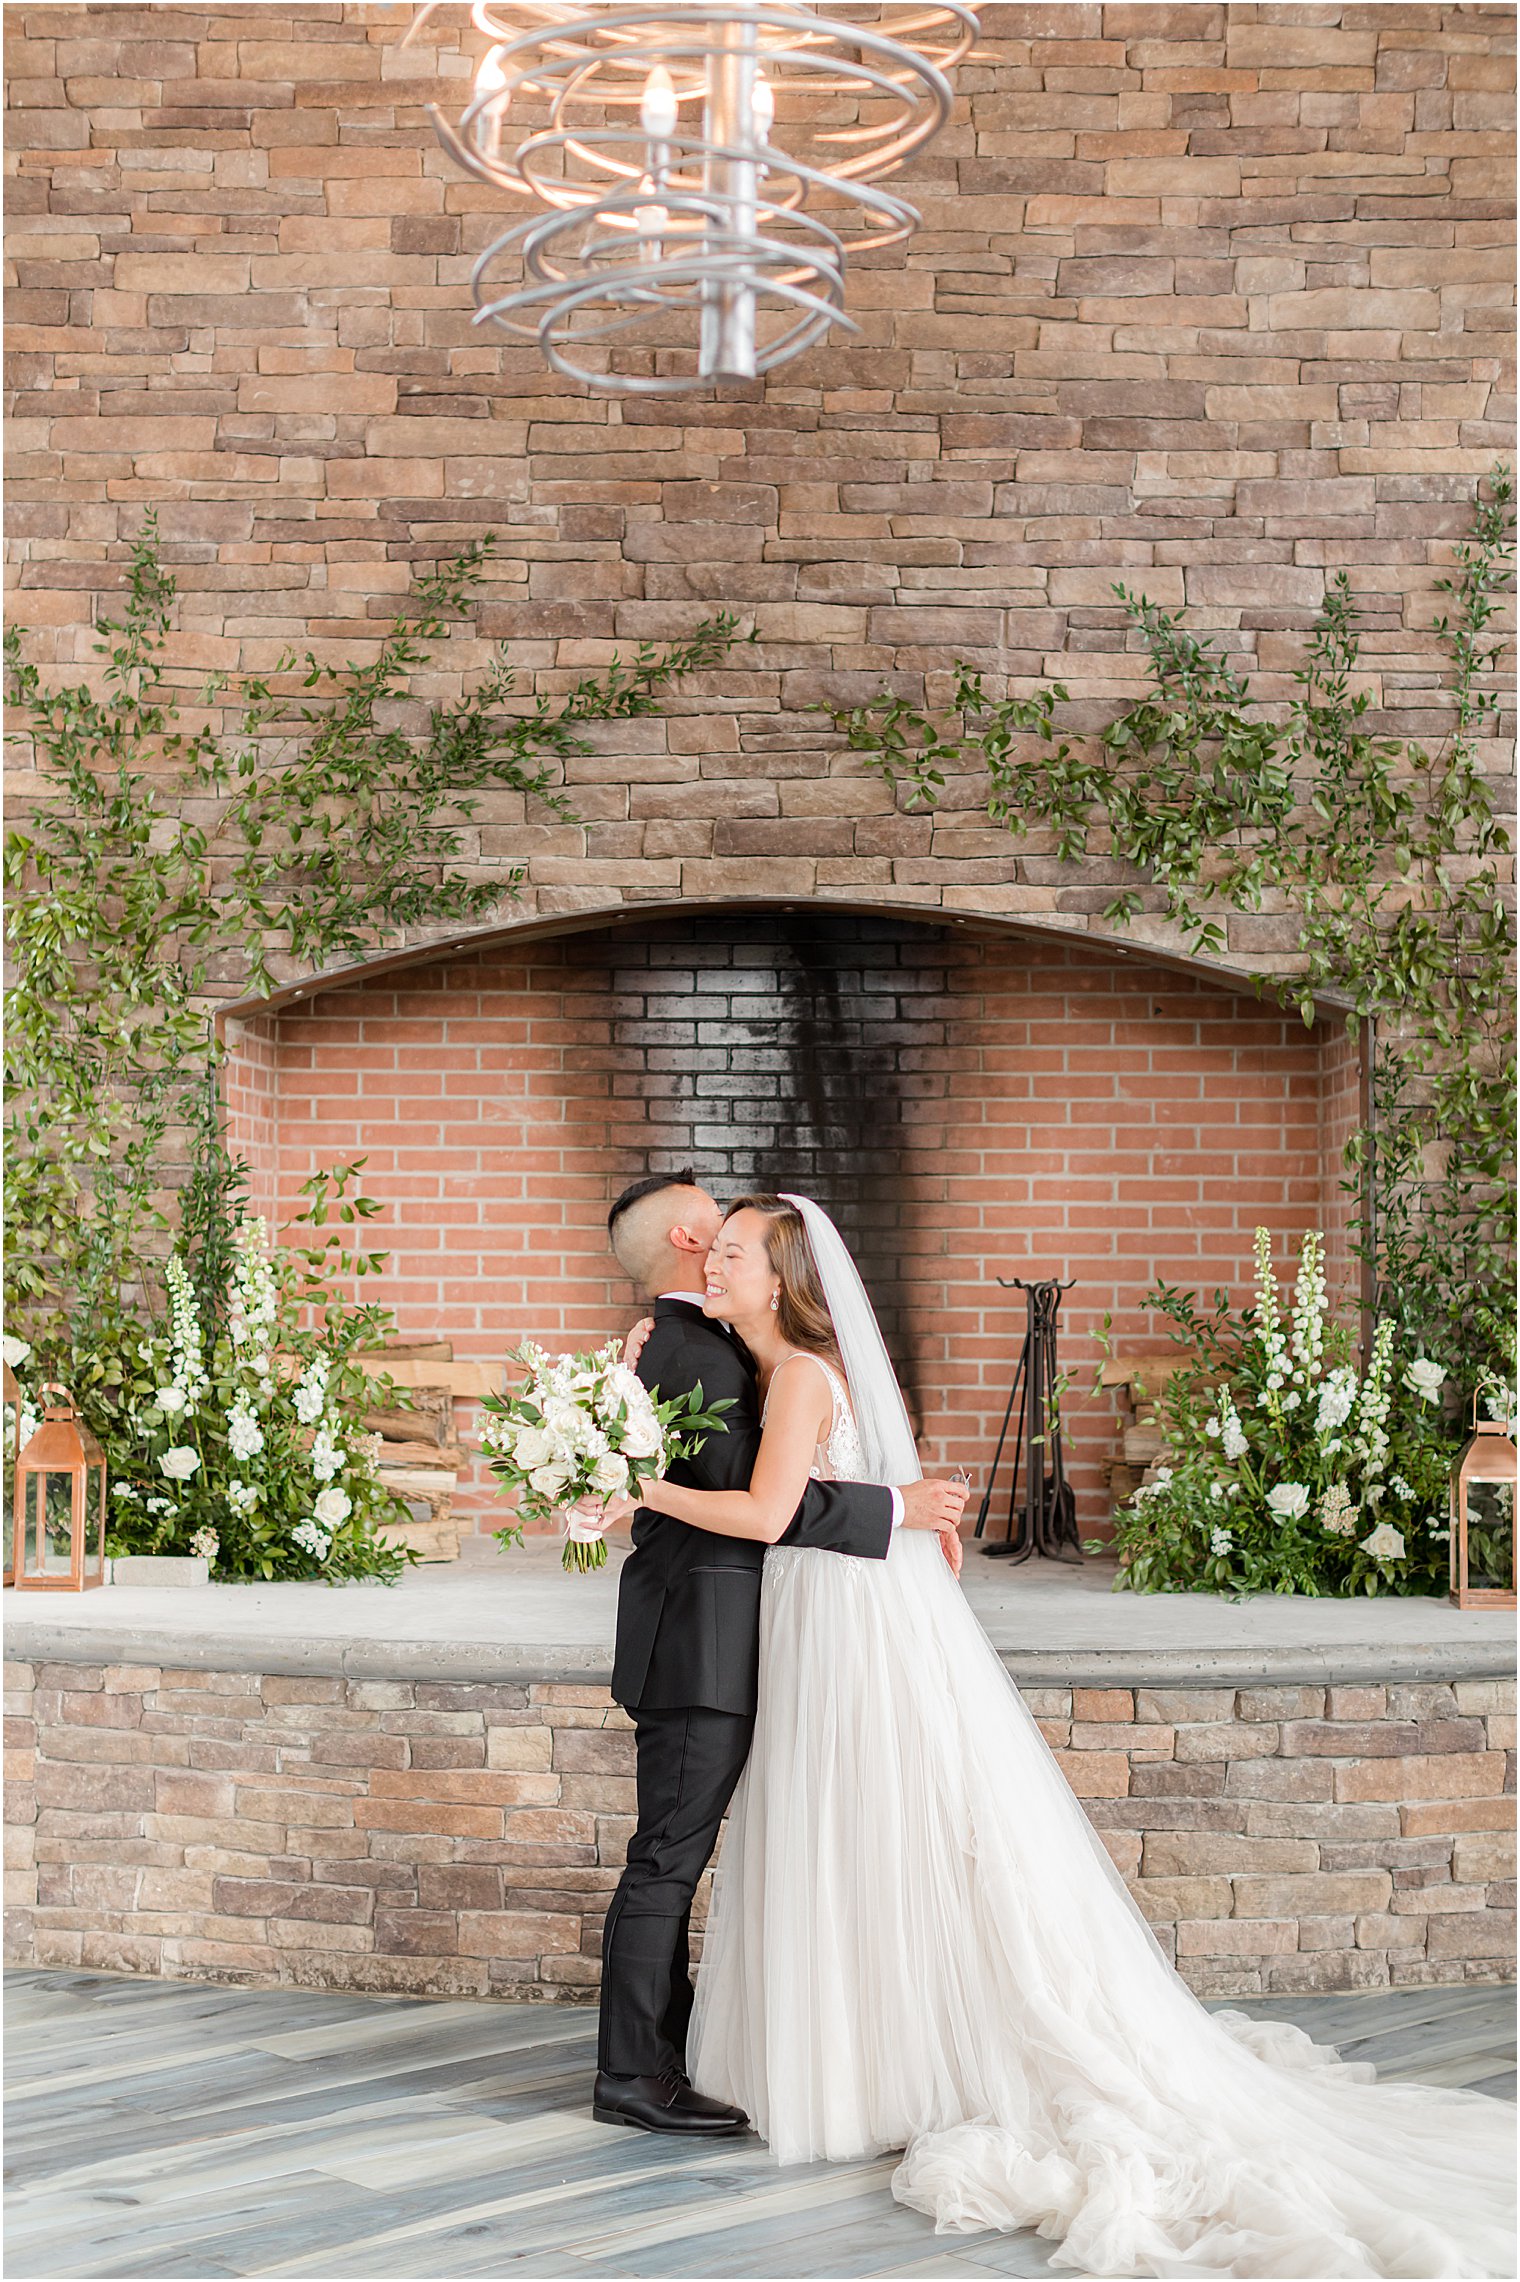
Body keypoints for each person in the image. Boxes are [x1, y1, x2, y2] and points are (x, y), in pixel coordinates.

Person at [609, 1191, 1515, 2280]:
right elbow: (808, 1494)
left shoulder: (795, 1370)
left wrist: (633, 1489)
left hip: (832, 1613)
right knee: (860, 1827)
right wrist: (893, 1508)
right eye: (715, 1242)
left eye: (739, 1247)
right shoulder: (736, 1360)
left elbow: (765, 1509)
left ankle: (868, 2057)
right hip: (825, 1608)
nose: (716, 1254)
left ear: (782, 1276)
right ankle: (869, 2052)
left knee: (859, 1824)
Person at [591, 1171, 968, 2138]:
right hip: (702, 1641)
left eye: (738, 1242)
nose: (722, 1228)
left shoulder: (719, 1346)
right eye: (713, 1222)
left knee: (682, 1855)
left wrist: (901, 1501)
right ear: (687, 1236)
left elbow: (780, 1480)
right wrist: (896, 1511)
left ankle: (665, 2061)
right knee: (668, 1860)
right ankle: (635, 2076)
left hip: (741, 1632)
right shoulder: (694, 1349)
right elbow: (764, 1507)